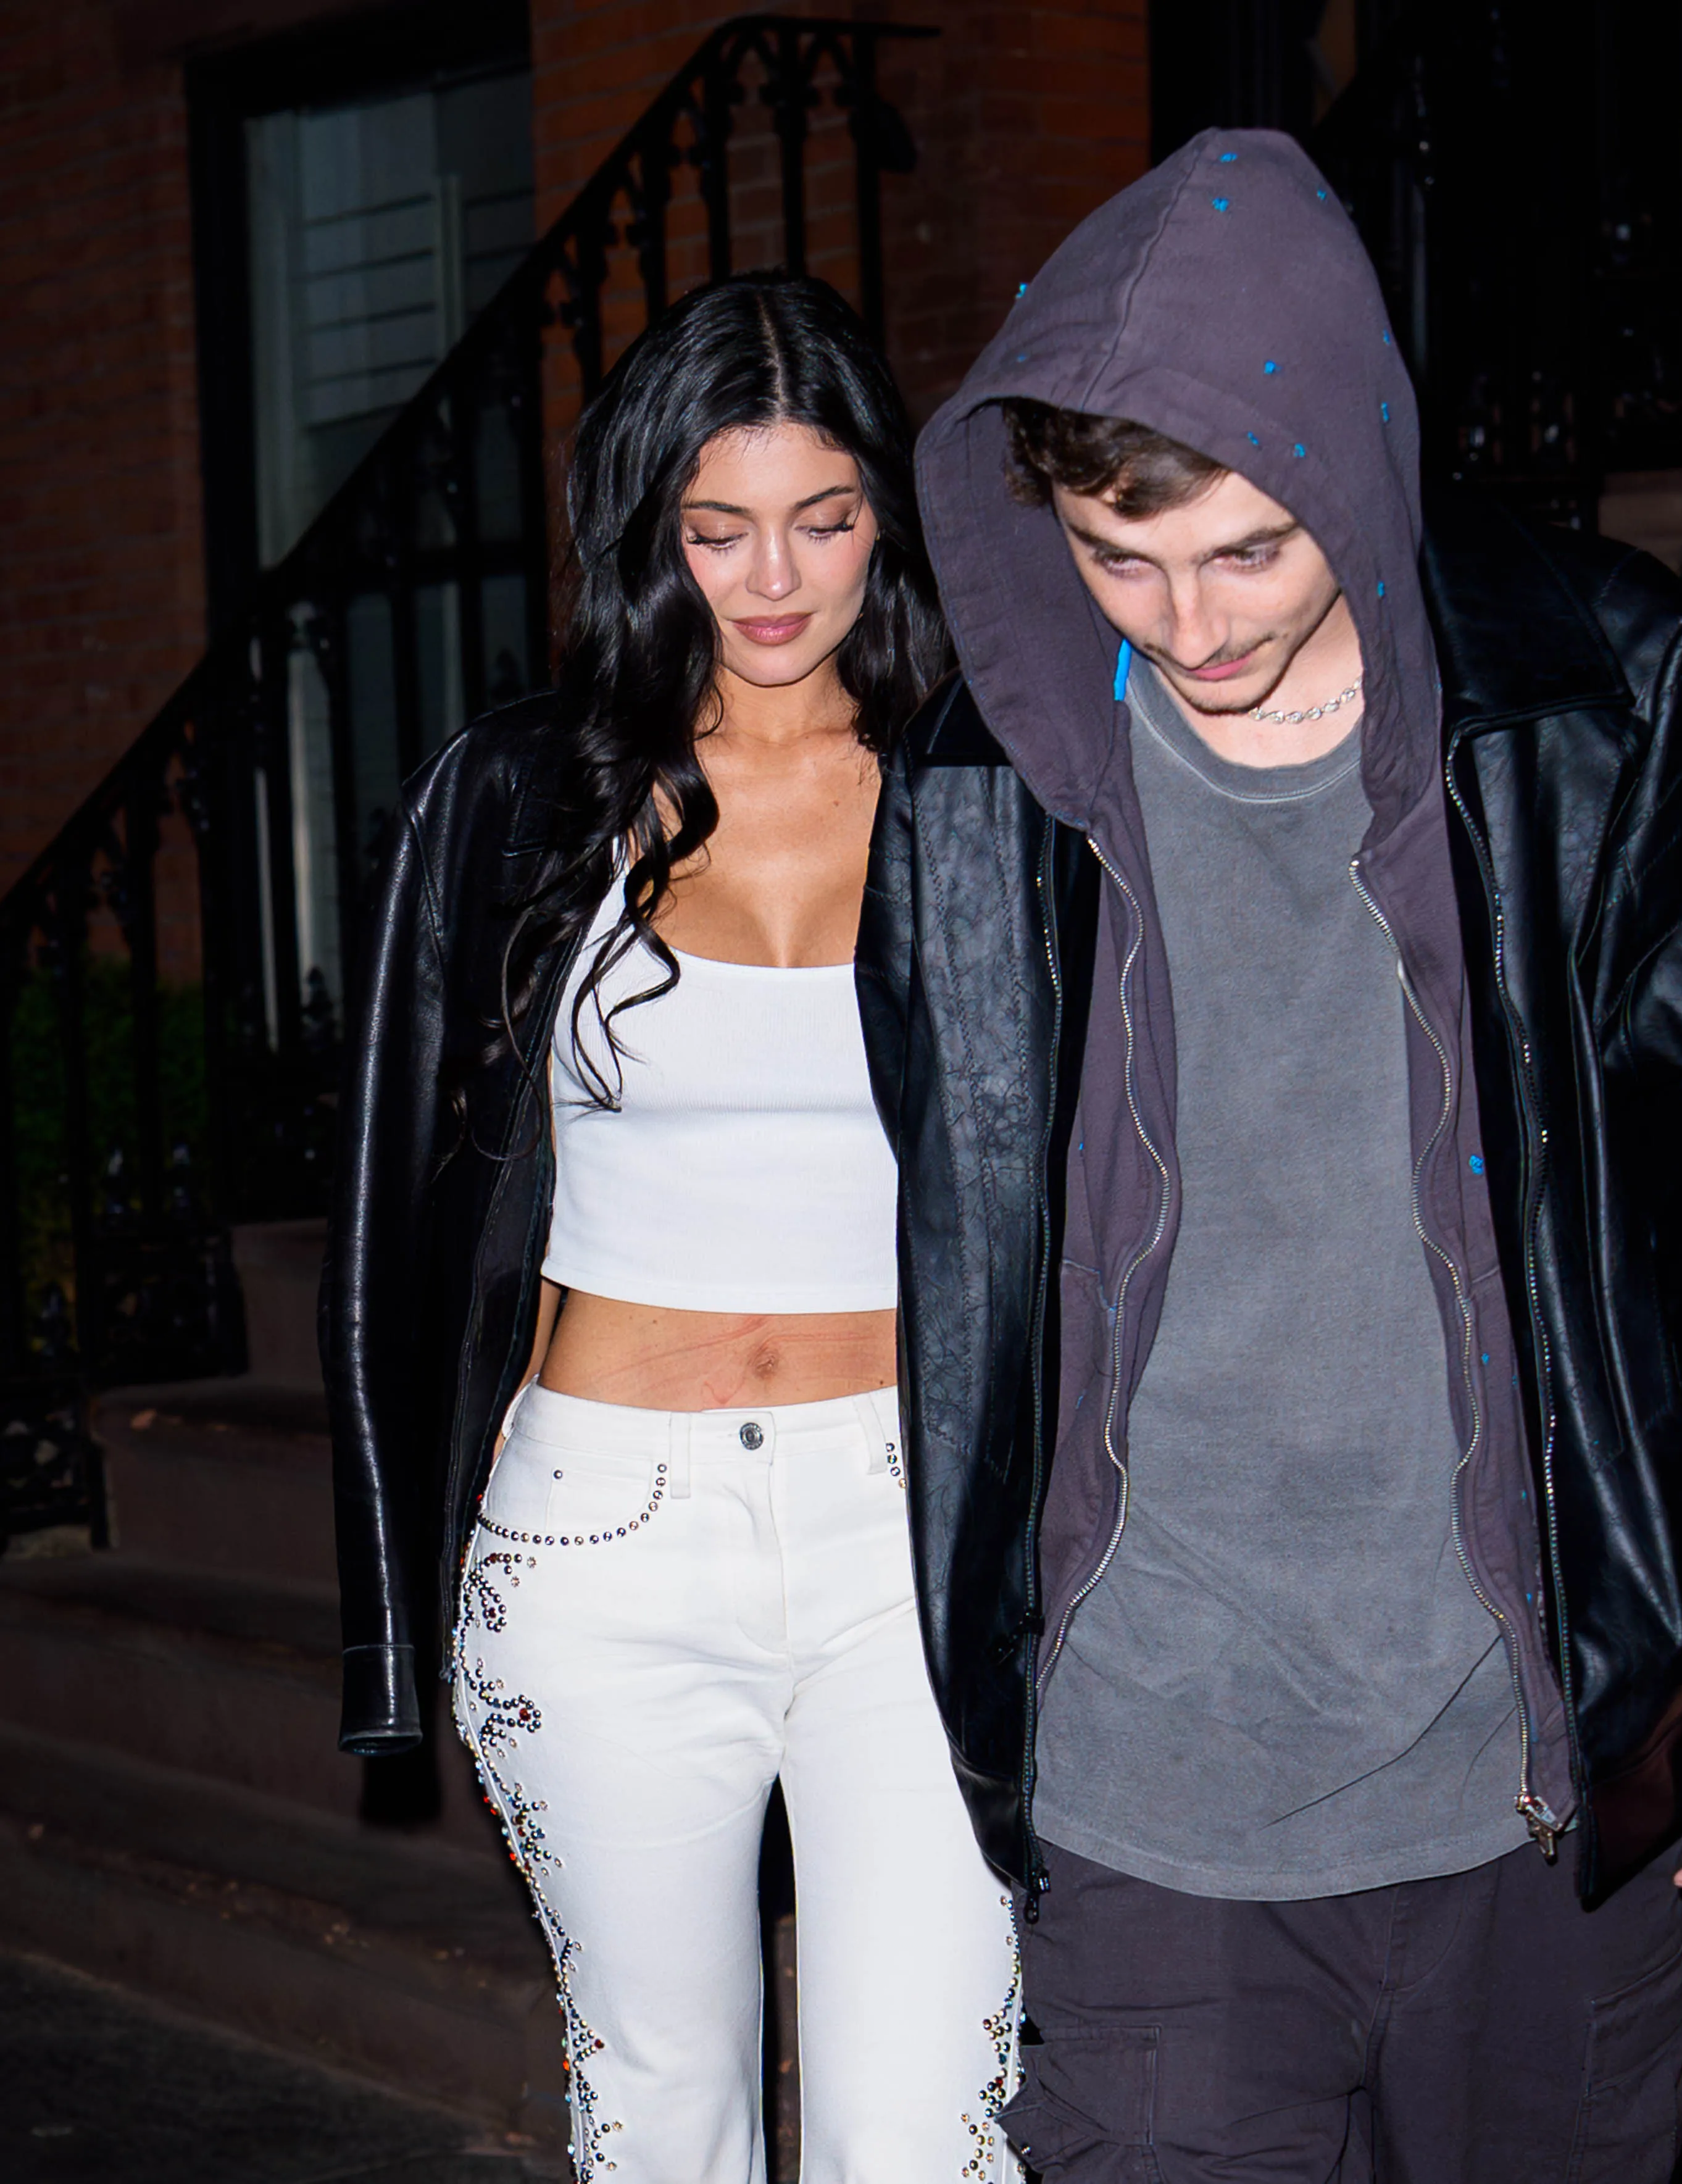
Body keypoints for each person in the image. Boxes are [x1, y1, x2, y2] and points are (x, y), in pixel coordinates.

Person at [856, 133, 1682, 2180]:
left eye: (1249, 551)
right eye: (1116, 554)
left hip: (1532, 1782)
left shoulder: (1602, 711)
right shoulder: (974, 795)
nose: (1187, 623)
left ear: (1353, 471)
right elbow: (961, 1261)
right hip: (1145, 1783)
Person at [322, 272, 1020, 2184]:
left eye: (823, 519)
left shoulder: (1001, 793)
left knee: (932, 2140)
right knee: (660, 2116)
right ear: (649, 529)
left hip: (915, 1529)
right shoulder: (519, 798)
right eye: (716, 529)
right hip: (604, 1535)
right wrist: (390, 1604)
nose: (772, 581)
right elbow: (392, 1230)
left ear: (891, 513)